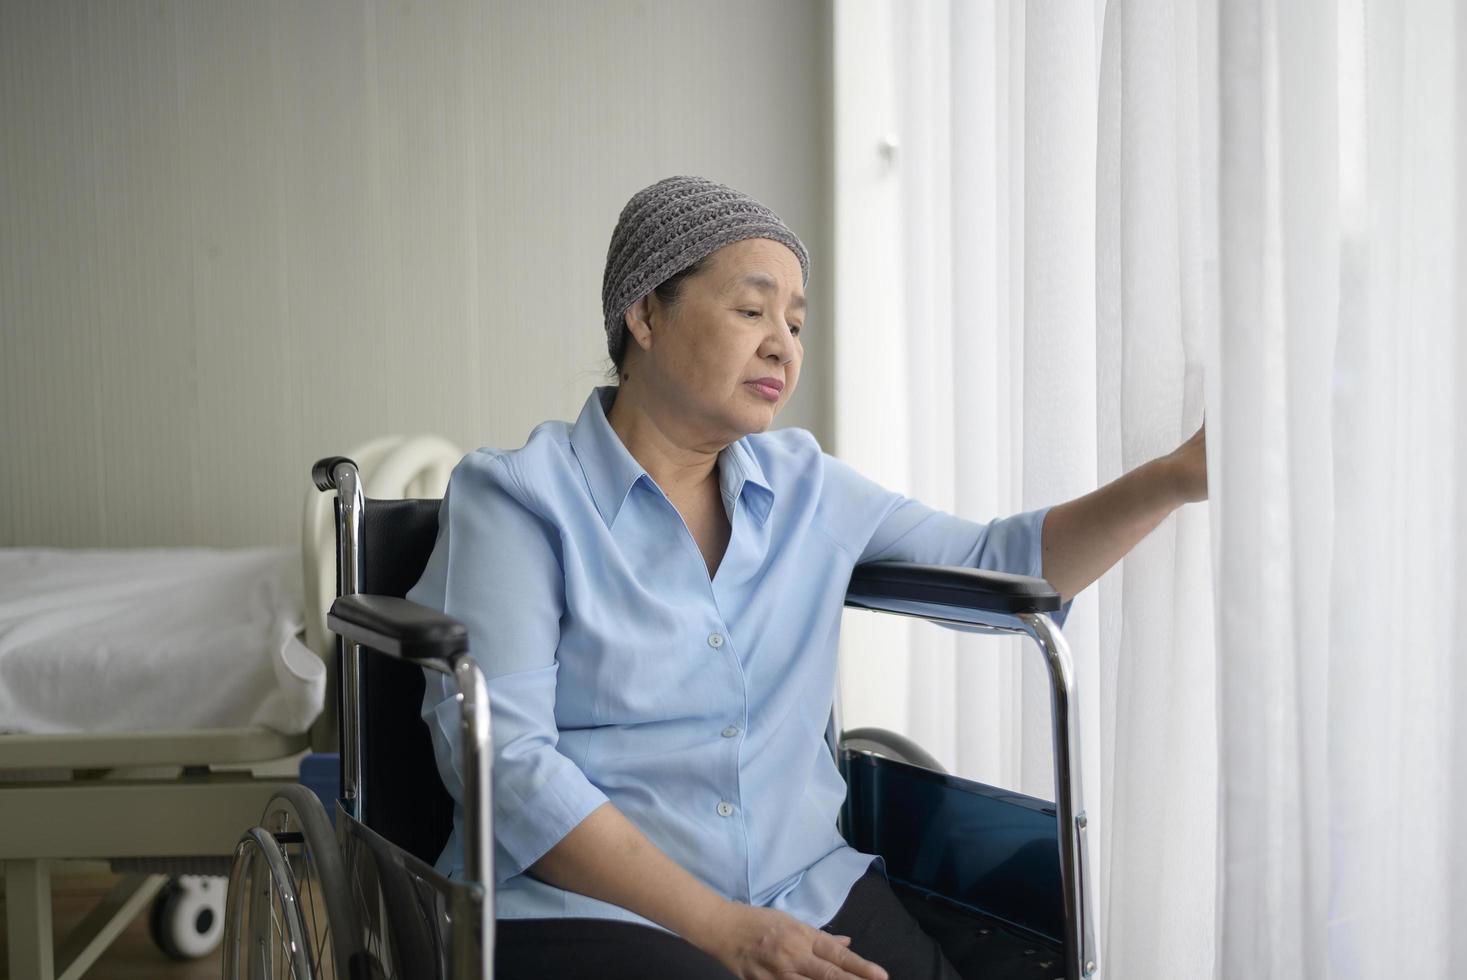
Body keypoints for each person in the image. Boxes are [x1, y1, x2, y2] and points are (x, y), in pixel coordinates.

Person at [407, 175, 1208, 980]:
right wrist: (722, 927)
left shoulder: (804, 486)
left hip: (807, 888)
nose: (783, 345)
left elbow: (1002, 571)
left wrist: (1174, 476)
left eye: (795, 321)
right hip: (587, 906)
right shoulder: (518, 498)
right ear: (645, 314)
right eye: (752, 311)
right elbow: (506, 767)